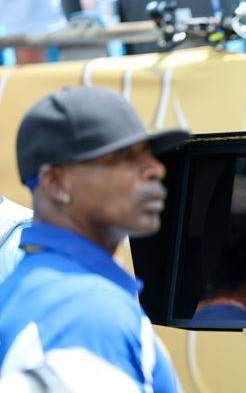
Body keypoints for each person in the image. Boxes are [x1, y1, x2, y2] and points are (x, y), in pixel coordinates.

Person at [0, 87, 188, 392]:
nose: (155, 168)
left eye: (148, 154)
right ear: (55, 183)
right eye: (124, 157)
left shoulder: (40, 285)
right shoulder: (83, 310)